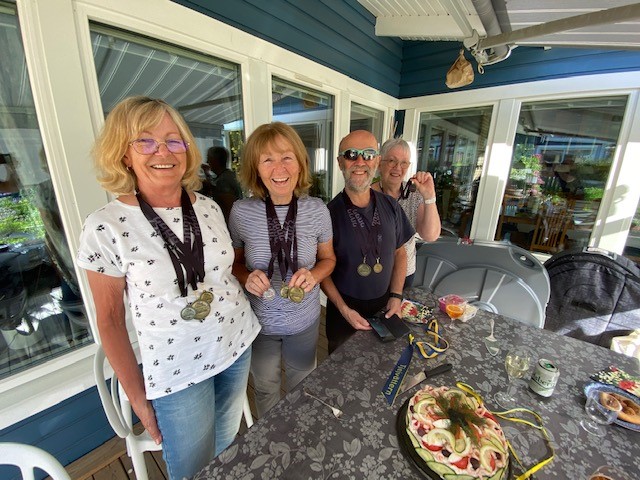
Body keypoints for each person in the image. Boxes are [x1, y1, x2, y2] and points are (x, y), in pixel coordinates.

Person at [76, 96, 260, 480]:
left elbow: (220, 273)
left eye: (174, 140)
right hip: (178, 368)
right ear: (124, 154)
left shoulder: (208, 207)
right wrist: (138, 399)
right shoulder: (106, 227)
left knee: (224, 449)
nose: (163, 151)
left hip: (235, 342)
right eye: (145, 141)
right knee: (191, 469)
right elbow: (109, 321)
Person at [229, 122, 336, 417]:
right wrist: (246, 276)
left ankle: (301, 431)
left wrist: (314, 275)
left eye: (287, 157)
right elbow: (234, 264)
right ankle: (272, 436)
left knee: (304, 386)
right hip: (259, 323)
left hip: (304, 320)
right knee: (265, 387)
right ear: (256, 168)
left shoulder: (317, 210)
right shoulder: (241, 212)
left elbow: (329, 259)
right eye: (268, 159)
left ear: (300, 164)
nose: (279, 168)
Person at [321, 130, 414, 354]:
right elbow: (321, 269)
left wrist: (396, 296)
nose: (360, 161)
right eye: (351, 154)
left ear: (377, 161)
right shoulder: (327, 214)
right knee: (342, 370)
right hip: (343, 312)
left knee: (383, 363)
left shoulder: (391, 206)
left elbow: (400, 253)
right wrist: (344, 310)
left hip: (385, 307)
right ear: (340, 162)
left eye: (369, 154)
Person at [372, 138, 441, 287]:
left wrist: (429, 196)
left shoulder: (414, 194)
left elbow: (430, 235)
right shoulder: (367, 195)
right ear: (379, 163)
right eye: (392, 161)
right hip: (373, 270)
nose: (398, 167)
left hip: (404, 273)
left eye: (404, 163)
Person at [204, 146, 243, 222]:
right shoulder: (228, 175)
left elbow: (229, 208)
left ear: (215, 161)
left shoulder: (224, 180)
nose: (207, 162)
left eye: (209, 159)